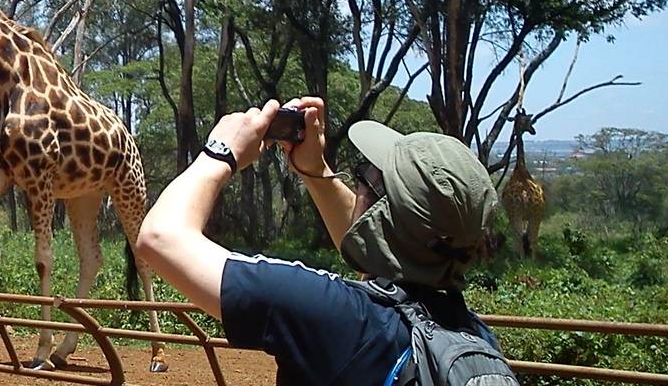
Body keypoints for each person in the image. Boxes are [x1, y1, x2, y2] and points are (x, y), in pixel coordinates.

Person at [137, 97, 501, 385]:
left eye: (362, 176)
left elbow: (160, 236)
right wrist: (316, 171)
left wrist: (221, 151)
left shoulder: (332, 315)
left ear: (381, 213)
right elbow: (385, 254)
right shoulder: (473, 337)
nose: (357, 184)